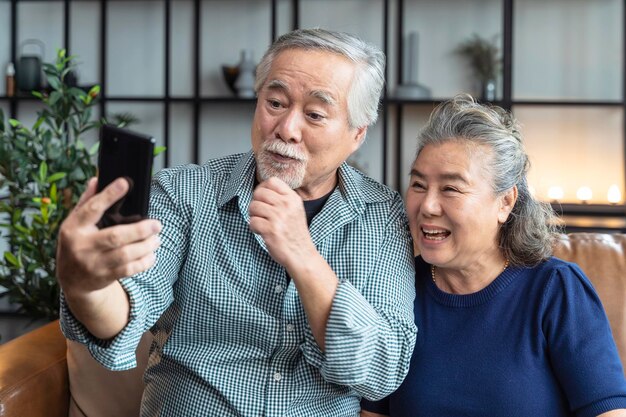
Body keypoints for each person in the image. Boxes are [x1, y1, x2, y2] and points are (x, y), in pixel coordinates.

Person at [56, 28, 417, 416]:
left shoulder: (382, 216)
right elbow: (128, 309)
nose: (287, 129)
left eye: (314, 114)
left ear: (356, 134)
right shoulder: (186, 193)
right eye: (275, 102)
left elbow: (382, 368)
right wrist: (85, 286)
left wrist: (303, 256)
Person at [361, 94, 626, 417]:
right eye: (418, 184)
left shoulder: (555, 289)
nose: (427, 206)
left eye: (450, 188)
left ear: (505, 202)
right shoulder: (393, 285)